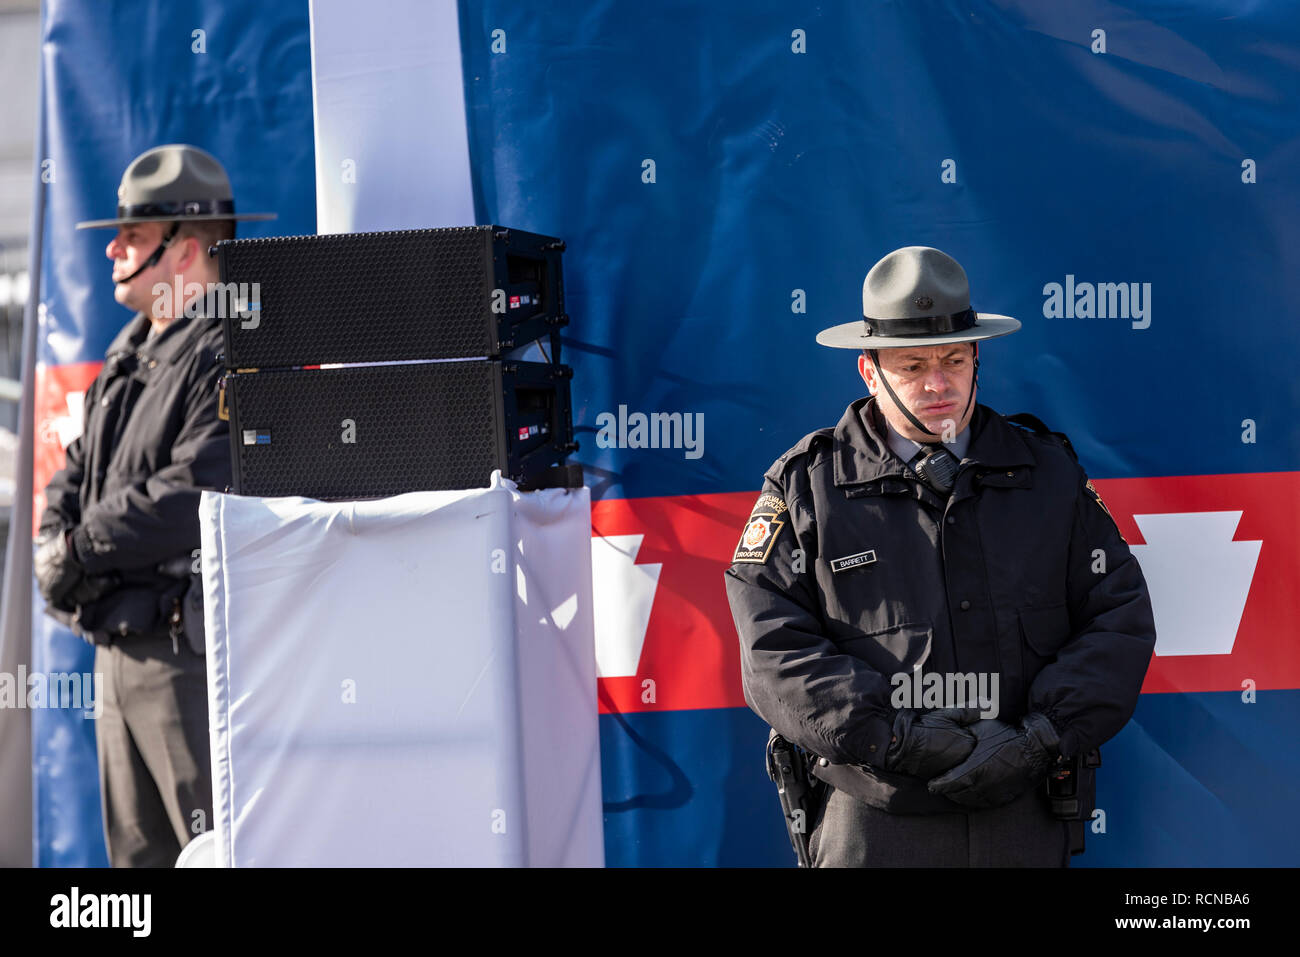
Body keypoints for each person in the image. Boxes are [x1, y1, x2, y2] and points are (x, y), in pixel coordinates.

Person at [724, 246, 1156, 867]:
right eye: (911, 366)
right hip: (876, 821)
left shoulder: (1048, 474)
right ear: (869, 372)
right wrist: (897, 739)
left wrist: (1037, 741)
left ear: (978, 358)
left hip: (1021, 812)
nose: (937, 384)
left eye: (954, 360)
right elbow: (774, 651)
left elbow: (1119, 619)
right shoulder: (806, 488)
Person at [34, 144, 274, 867]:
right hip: (120, 651)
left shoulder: (234, 343)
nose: (112, 248)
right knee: (137, 866)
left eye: (132, 236)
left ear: (186, 249)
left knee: (212, 853)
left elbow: (192, 488)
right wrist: (56, 539)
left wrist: (74, 551)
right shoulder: (127, 351)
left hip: (184, 660)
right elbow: (73, 477)